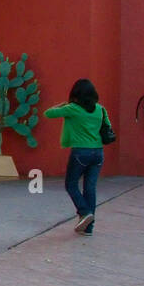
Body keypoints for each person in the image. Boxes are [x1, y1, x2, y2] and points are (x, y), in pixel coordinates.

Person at [43, 79, 110, 235]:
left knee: (71, 185)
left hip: (81, 152)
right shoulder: (101, 109)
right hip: (98, 152)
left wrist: (60, 105)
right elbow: (108, 127)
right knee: (90, 188)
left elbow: (48, 114)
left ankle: (85, 212)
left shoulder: (72, 108)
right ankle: (88, 228)